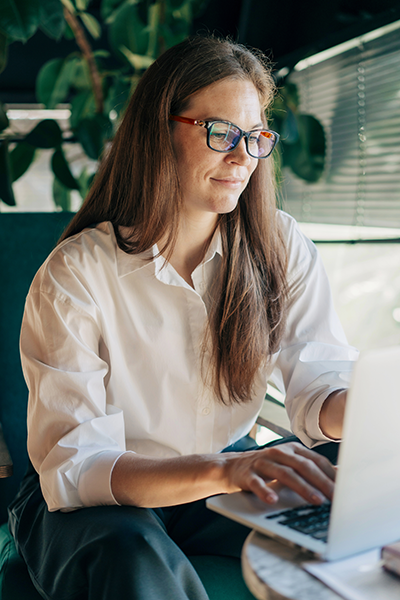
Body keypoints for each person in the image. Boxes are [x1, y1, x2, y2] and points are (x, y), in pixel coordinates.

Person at [9, 35, 357, 600]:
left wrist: (379, 413)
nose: (243, 156)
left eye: (255, 137)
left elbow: (319, 389)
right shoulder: (76, 274)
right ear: (159, 131)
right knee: (130, 555)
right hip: (101, 496)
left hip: (215, 483)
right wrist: (226, 471)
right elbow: (77, 467)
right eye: (221, 133)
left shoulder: (280, 244)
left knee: (354, 484)